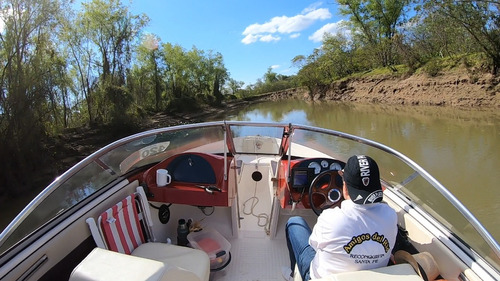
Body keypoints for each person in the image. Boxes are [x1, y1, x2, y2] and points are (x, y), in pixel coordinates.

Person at [283, 155, 398, 281]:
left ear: (345, 187)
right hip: (371, 276)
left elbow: (314, 246)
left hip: (319, 277)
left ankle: (294, 276)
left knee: (294, 222)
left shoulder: (330, 218)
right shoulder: (391, 215)